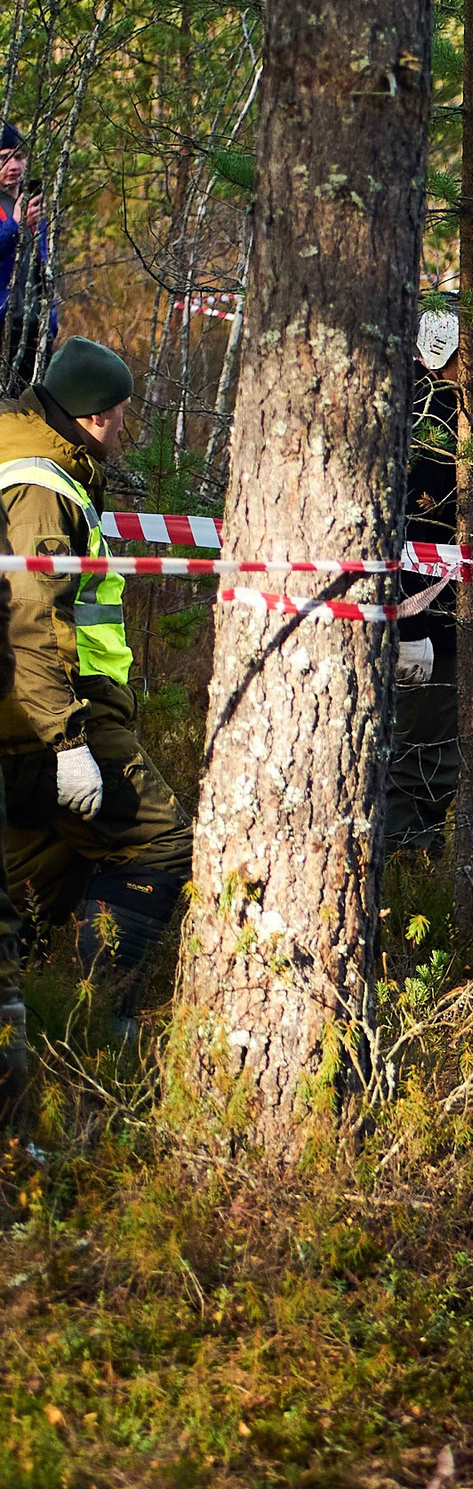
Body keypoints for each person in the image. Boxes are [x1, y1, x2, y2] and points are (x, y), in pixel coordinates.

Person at [0, 337, 192, 1059]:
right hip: (52, 714)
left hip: (27, 714)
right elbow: (28, 616)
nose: (125, 428)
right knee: (159, 842)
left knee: (50, 876)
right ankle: (102, 1035)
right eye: (122, 415)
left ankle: (46, 1039)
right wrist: (67, 744)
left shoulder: (26, 455)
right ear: (96, 415)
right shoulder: (41, 486)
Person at [384, 306, 473, 855]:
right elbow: (399, 529)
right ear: (443, 358)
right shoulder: (425, 421)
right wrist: (408, 624)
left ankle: (417, 868)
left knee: (433, 752)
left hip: (447, 615)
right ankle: (403, 875)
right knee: (422, 759)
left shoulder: (451, 415)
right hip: (423, 623)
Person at [0, 126, 53, 397]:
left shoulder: (31, 205)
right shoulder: (19, 214)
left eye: (19, 157)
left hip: (33, 327)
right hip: (3, 328)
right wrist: (15, 226)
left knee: (32, 414)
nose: (14, 166)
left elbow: (44, 268)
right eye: (4, 158)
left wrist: (50, 321)